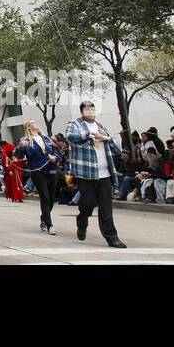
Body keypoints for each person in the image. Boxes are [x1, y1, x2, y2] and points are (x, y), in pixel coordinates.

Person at [65, 101, 127, 248]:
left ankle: (112, 237)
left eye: (92, 108)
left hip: (104, 172)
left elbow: (117, 149)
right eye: (87, 108)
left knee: (106, 207)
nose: (90, 110)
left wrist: (107, 138)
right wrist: (91, 134)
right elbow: (71, 137)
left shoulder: (101, 126)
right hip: (86, 172)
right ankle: (82, 221)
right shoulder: (75, 124)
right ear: (82, 112)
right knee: (88, 202)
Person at [17, 119, 60, 234]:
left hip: (51, 169)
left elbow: (55, 150)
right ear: (29, 127)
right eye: (33, 124)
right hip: (38, 171)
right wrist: (21, 147)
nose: (36, 125)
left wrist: (55, 157)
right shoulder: (26, 140)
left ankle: (44, 218)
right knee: (44, 197)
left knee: (51, 198)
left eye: (35, 123)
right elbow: (19, 155)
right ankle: (49, 224)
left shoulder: (45, 137)